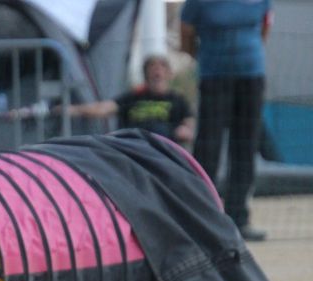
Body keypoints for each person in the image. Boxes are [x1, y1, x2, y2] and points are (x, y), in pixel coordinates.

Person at [180, 0, 272, 242]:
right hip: (214, 76)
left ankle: (239, 218)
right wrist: (204, 57)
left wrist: (250, 53)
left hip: (251, 75)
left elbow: (265, 27)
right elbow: (186, 33)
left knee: (245, 146)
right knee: (207, 147)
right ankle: (202, 218)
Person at [65, 54, 195, 147]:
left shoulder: (178, 100)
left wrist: (182, 132)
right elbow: (102, 109)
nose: (157, 72)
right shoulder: (133, 98)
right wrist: (70, 110)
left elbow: (189, 130)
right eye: (153, 68)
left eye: (161, 69)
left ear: (169, 75)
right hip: (133, 148)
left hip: (163, 149)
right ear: (146, 75)